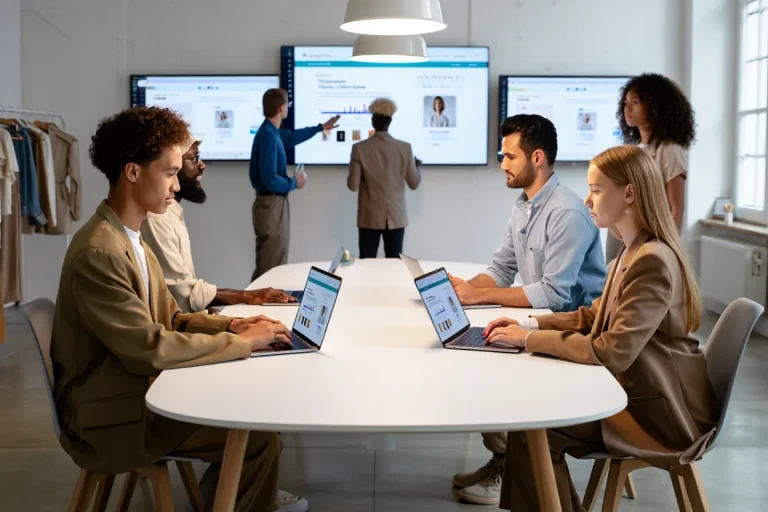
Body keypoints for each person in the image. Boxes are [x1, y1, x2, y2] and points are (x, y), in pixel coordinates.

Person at [50, 106, 298, 511]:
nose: (176, 186)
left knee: (250, 417)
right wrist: (243, 345)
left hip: (129, 400)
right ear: (132, 172)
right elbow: (149, 347)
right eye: (168, 173)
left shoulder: (130, 237)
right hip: (111, 423)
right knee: (257, 437)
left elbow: (173, 319)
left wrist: (235, 326)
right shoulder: (101, 252)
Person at [482, 145, 718, 512]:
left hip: (662, 414)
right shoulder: (632, 250)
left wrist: (529, 340)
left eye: (596, 189)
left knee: (533, 431)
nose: (588, 200)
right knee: (529, 424)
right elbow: (593, 316)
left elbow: (611, 350)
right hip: (646, 395)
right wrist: (529, 323)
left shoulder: (651, 261)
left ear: (629, 193)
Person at [449, 114, 606, 506]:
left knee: (487, 372)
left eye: (509, 156)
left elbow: (554, 294)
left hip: (573, 334)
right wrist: (463, 290)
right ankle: (505, 458)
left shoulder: (567, 212)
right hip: (543, 322)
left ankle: (509, 464)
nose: (502, 164)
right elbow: (501, 269)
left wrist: (480, 298)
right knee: (475, 359)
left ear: (537, 158)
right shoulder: (524, 205)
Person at [141, 136, 296, 313]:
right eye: (193, 158)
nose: (202, 165)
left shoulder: (171, 212)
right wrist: (246, 296)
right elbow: (183, 293)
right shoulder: (156, 219)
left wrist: (213, 314)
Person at [249, 88, 340, 280]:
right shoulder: (268, 136)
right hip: (271, 205)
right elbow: (269, 179)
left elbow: (292, 137)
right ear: (281, 108)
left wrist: (320, 127)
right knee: (270, 265)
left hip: (274, 205)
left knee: (274, 258)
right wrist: (294, 182)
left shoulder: (272, 132)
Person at [605, 73, 695, 262]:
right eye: (625, 103)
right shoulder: (633, 150)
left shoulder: (670, 150)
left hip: (650, 242)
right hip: (623, 237)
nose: (627, 108)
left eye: (635, 102)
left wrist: (664, 251)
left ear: (655, 106)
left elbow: (676, 209)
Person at [347, 98, 421, 258]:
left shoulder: (359, 148)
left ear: (373, 121)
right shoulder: (405, 148)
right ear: (390, 121)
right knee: (395, 265)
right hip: (396, 216)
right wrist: (417, 167)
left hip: (369, 217)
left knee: (366, 265)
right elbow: (414, 183)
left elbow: (352, 185)